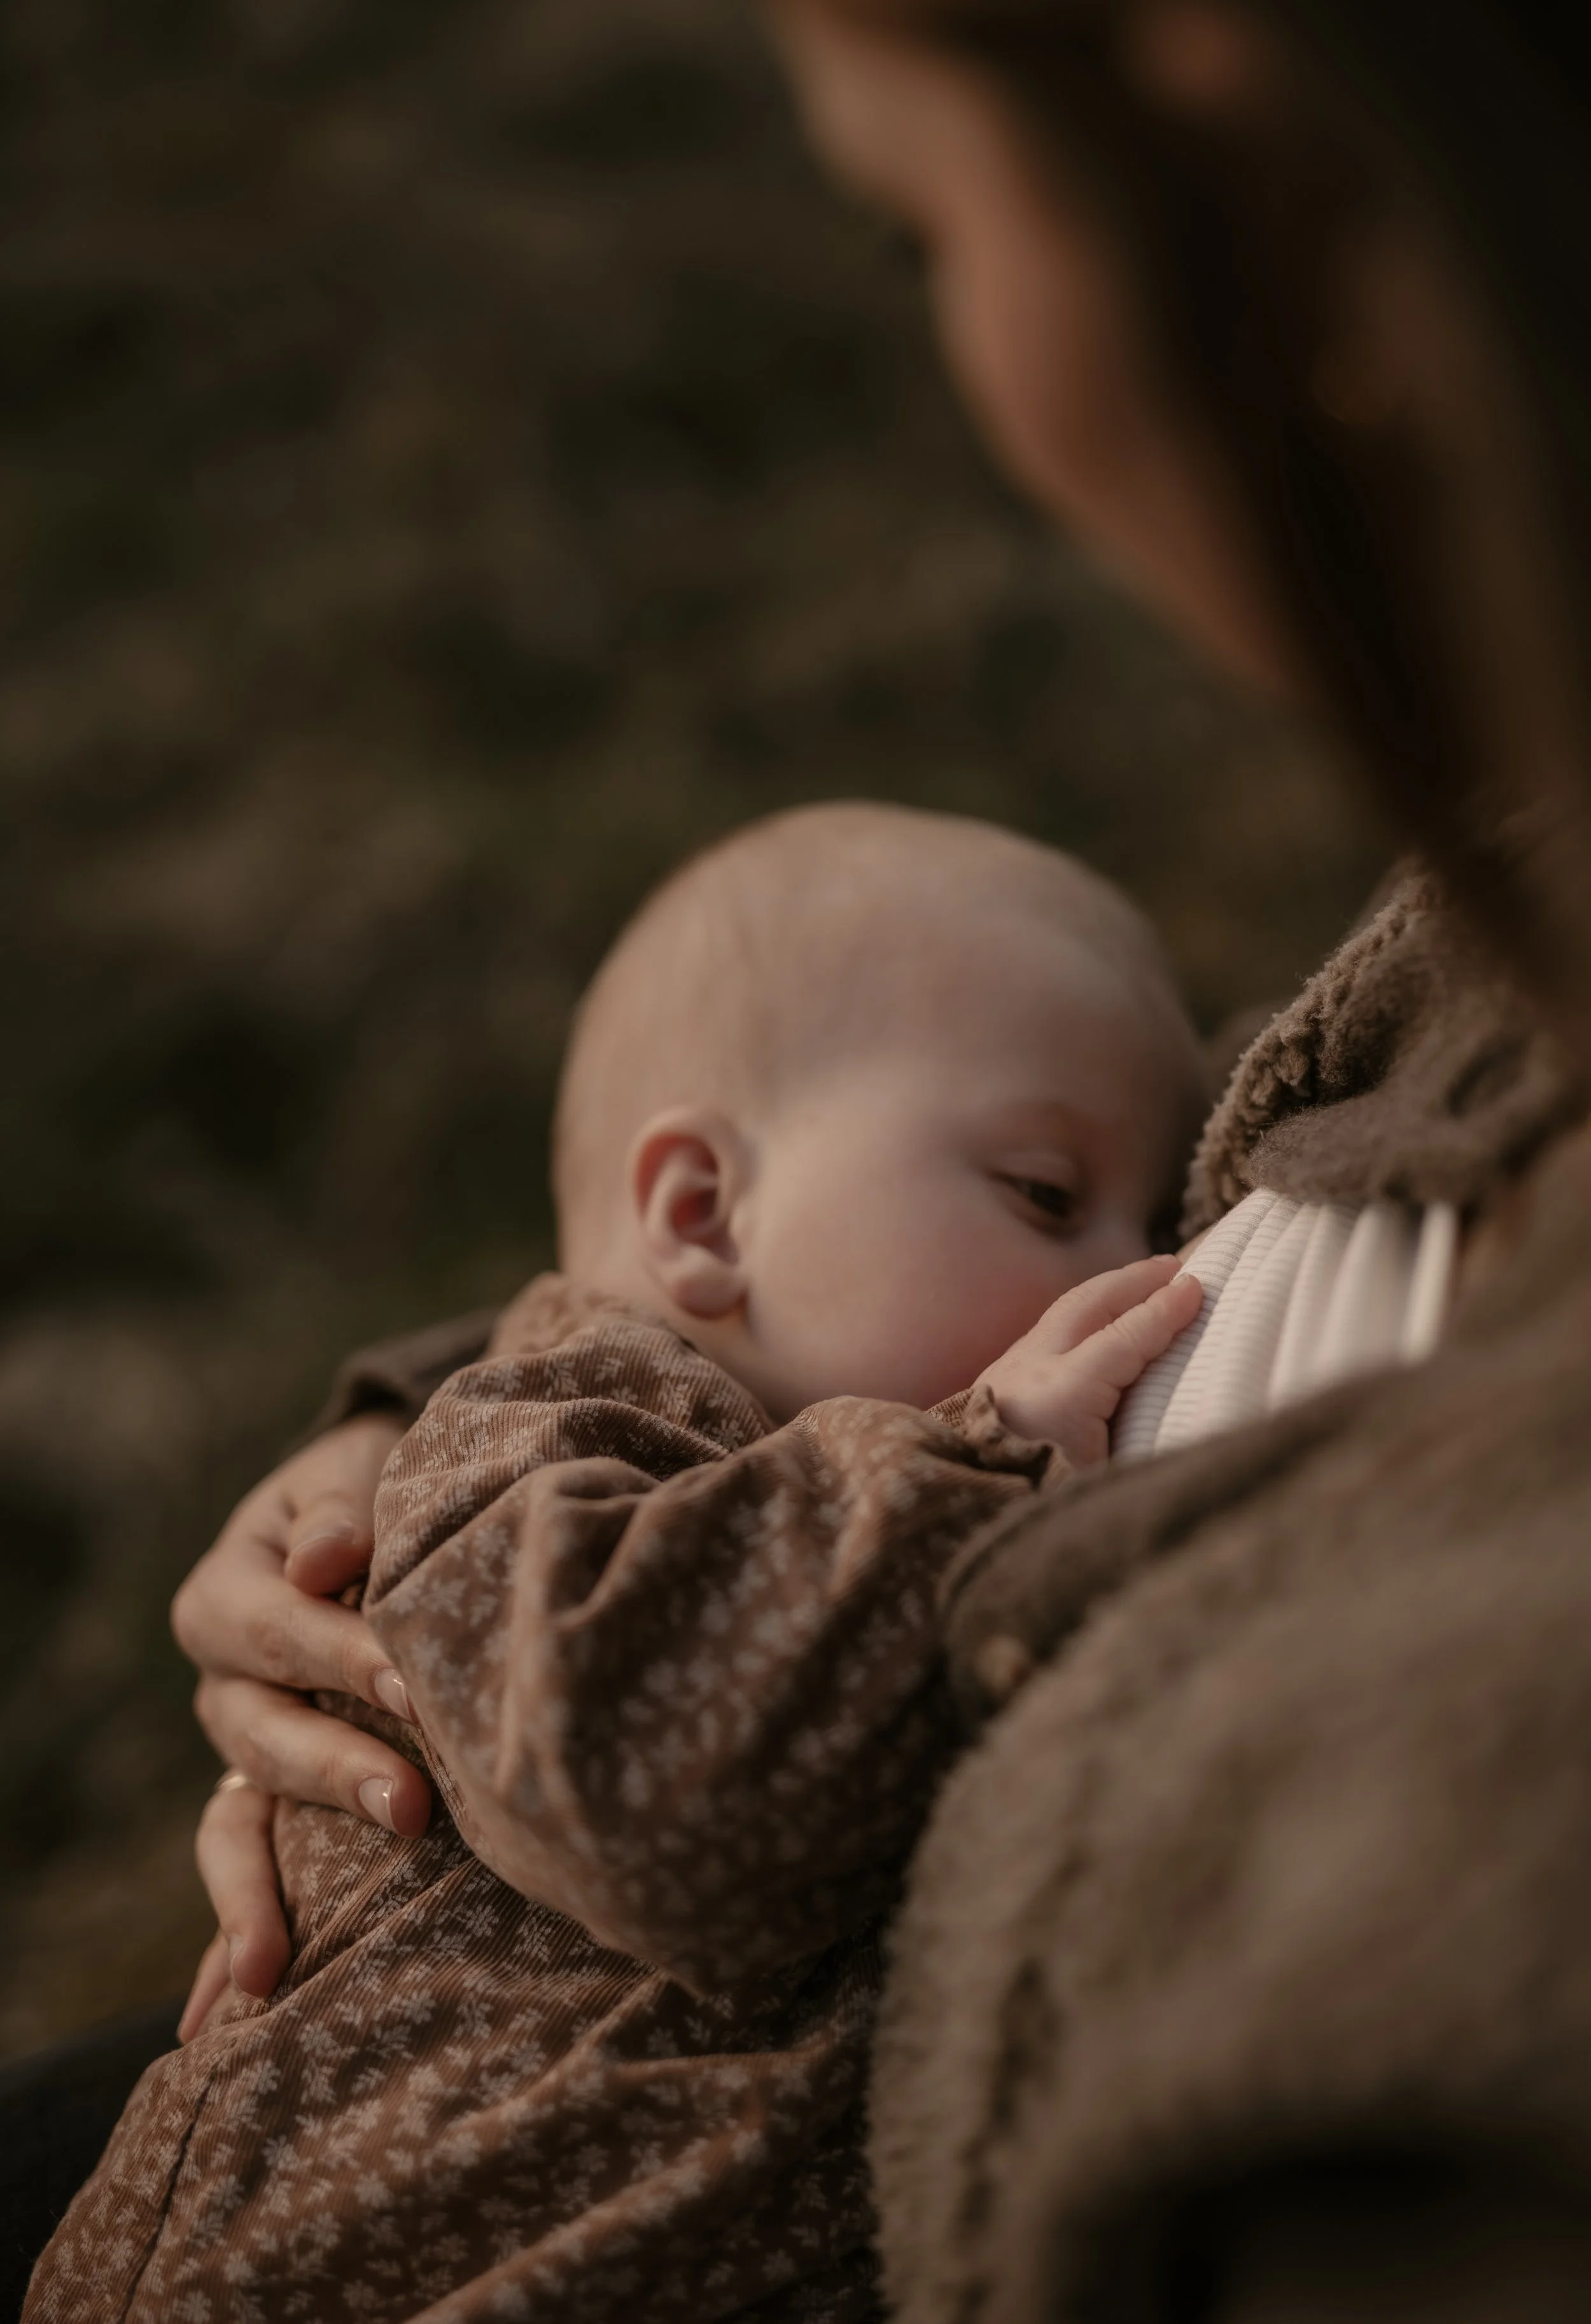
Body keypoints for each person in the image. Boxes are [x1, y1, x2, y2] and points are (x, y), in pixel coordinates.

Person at [120, 0, 1591, 2318]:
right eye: (1048, 1196)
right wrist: (416, 1448)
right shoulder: (1480, 937)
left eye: (924, 229)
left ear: (1249, 161)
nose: (1142, 1256)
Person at [26, 803, 1209, 2321]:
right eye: (1046, 1195)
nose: (1140, 1270)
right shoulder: (539, 1442)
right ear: (701, 1213)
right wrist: (982, 1457)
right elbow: (635, 1781)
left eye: (1157, 1217)